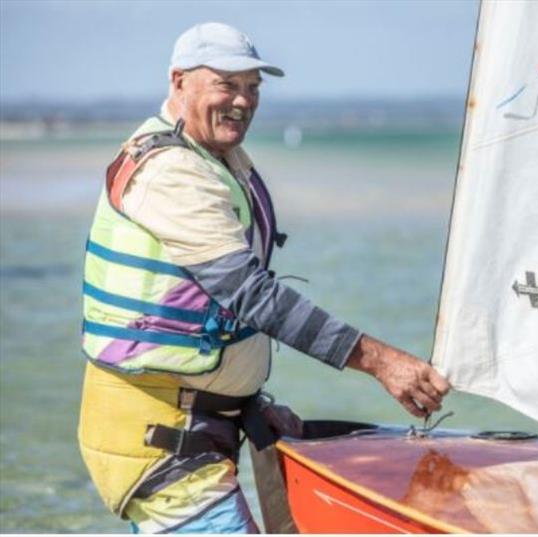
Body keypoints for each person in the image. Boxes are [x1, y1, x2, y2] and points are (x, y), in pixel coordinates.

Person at [78, 21, 450, 534]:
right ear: (179, 81)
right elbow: (250, 294)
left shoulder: (213, 157)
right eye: (226, 84)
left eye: (253, 88)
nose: (243, 101)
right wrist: (383, 362)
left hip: (191, 425)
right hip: (159, 439)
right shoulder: (170, 171)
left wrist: (247, 404)